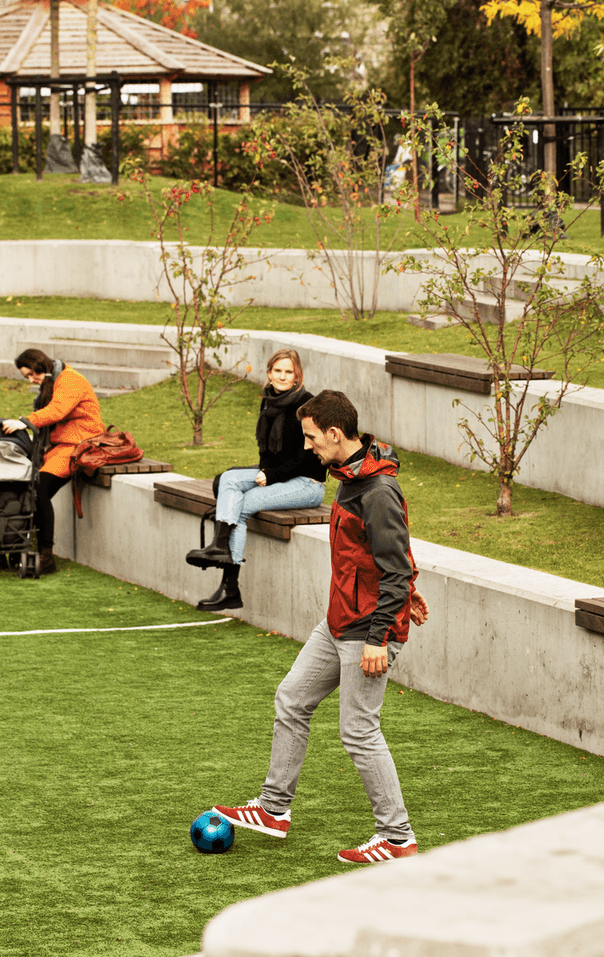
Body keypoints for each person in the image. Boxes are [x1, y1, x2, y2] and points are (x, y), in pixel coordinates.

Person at [211, 389, 430, 865]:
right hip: (338, 623)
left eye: (311, 438)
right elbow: (381, 557)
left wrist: (380, 635)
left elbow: (393, 562)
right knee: (292, 699)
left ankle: (397, 838)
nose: (307, 446)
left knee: (358, 731)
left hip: (366, 632)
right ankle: (273, 809)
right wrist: (407, 590)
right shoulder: (352, 477)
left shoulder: (377, 490)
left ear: (335, 433)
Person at [186, 349, 329, 613]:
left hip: (307, 484)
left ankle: (230, 587)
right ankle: (220, 547)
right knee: (227, 479)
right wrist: (264, 471)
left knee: (242, 504)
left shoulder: (307, 405)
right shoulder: (269, 401)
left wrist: (270, 475)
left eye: (288, 372)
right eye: (278, 371)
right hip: (279, 475)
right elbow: (266, 451)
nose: (282, 377)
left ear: (297, 375)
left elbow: (305, 456)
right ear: (269, 373)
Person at [1, 348, 104, 576]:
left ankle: (46, 556)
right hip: (62, 446)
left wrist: (25, 422)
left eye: (31, 374)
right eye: (26, 376)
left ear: (40, 365)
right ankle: (4, 550)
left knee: (39, 489)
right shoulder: (53, 380)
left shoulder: (70, 380)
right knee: (26, 486)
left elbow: (57, 411)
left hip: (80, 445)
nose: (31, 379)